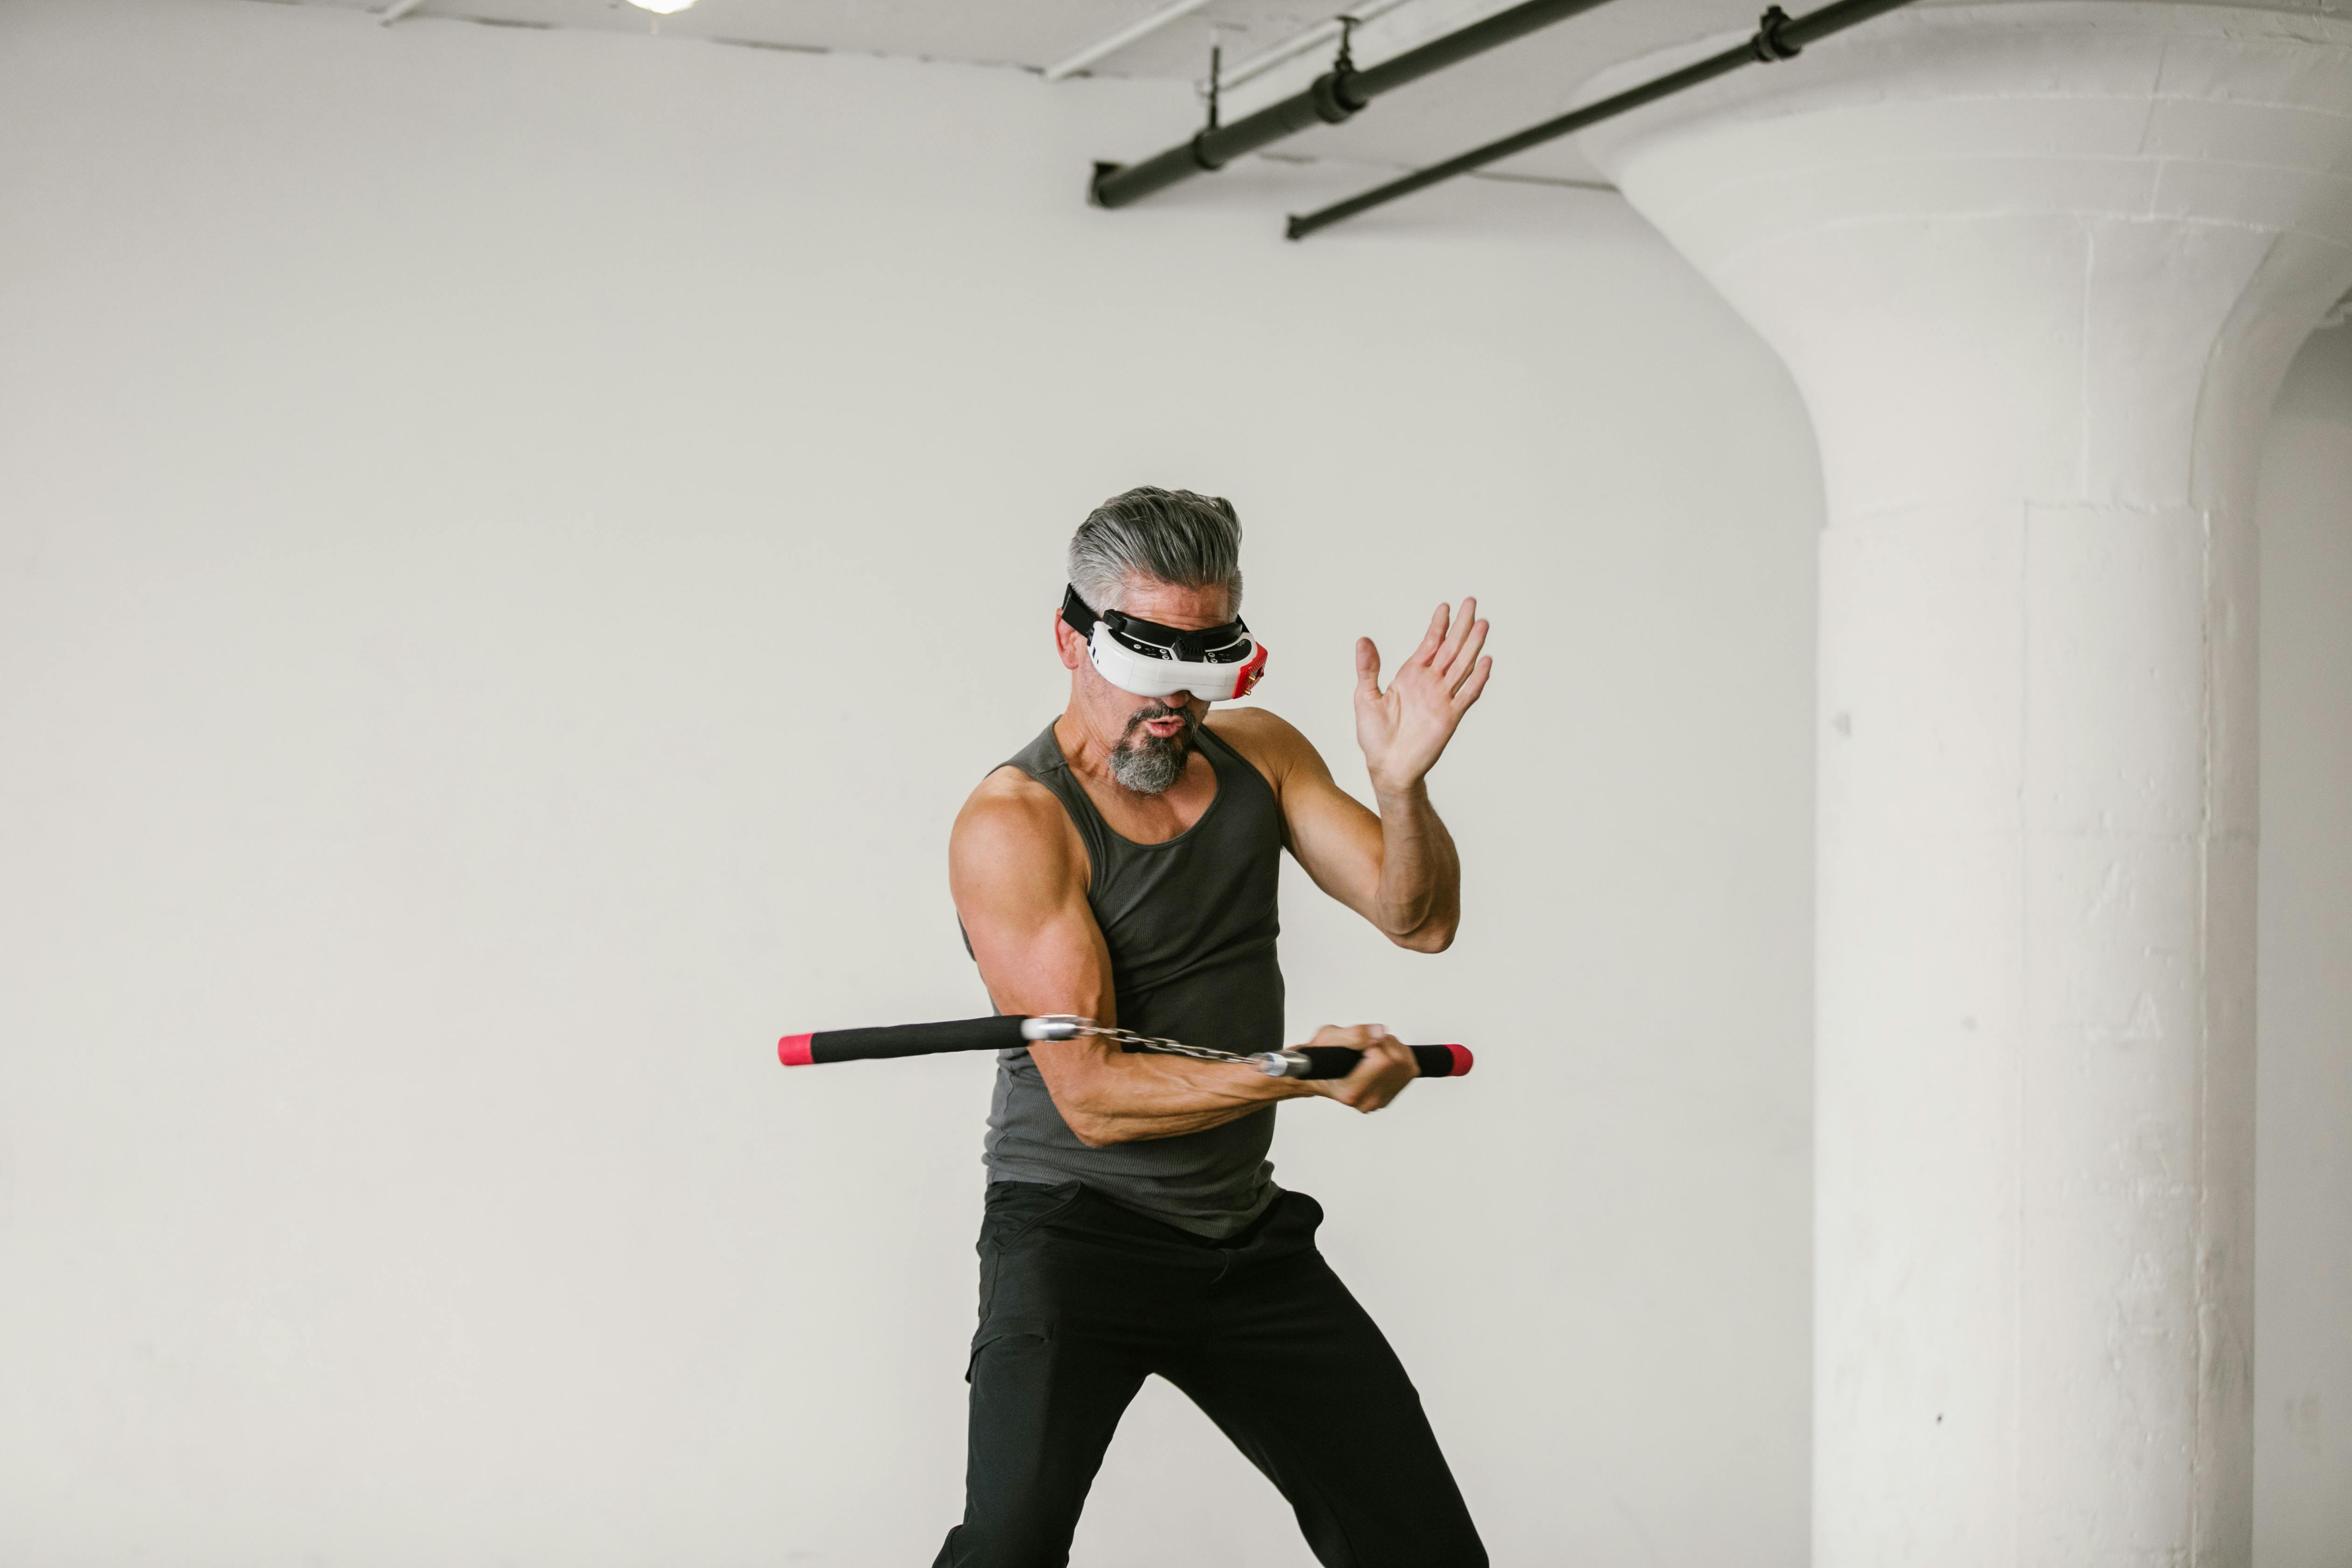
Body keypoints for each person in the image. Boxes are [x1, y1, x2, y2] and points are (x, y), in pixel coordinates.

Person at [938, 486, 1493, 1568]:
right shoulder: (1017, 823)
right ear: (1070, 636)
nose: (1177, 701)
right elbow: (1092, 1098)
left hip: (1242, 1238)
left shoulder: (1259, 755)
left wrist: (1400, 782)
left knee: (1420, 1549)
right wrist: (1298, 1074)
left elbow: (1419, 921)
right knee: (1007, 1552)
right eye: (1150, 662)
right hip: (1074, 1233)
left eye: (1208, 661)